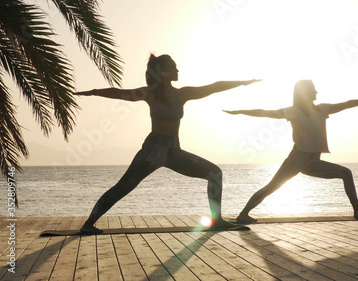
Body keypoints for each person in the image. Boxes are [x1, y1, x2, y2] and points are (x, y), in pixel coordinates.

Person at [75, 54, 260, 233]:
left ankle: (216, 220)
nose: (177, 70)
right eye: (173, 67)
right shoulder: (149, 94)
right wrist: (93, 93)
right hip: (152, 151)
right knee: (124, 186)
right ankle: (88, 224)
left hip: (173, 151)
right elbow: (120, 93)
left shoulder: (183, 94)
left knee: (215, 173)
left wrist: (242, 83)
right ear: (162, 71)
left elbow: (213, 87)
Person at [224, 80, 358, 223]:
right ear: (304, 92)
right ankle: (243, 214)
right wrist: (239, 111)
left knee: (346, 173)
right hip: (297, 159)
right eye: (313, 89)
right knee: (272, 187)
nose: (316, 92)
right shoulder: (293, 111)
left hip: (313, 161)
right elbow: (264, 112)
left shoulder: (322, 109)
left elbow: (346, 104)